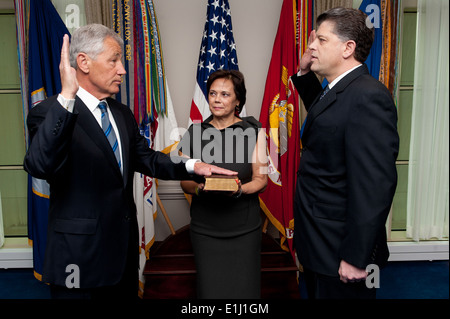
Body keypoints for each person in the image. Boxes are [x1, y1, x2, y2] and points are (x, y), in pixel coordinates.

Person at [23, 24, 235, 299]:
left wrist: (194, 166)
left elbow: (146, 158)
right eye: (114, 60)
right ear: (83, 62)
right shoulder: (50, 112)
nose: (122, 69)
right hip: (78, 259)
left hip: (122, 256)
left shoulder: (122, 113)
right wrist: (66, 97)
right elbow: (40, 165)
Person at [291, 8, 399, 299]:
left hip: (342, 250)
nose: (311, 45)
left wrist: (356, 256)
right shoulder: (342, 89)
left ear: (348, 48)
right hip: (321, 244)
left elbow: (375, 185)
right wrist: (304, 73)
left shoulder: (368, 96)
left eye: (321, 40)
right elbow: (329, 120)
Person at [178, 70, 268, 298]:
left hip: (245, 229)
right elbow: (184, 182)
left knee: (244, 293)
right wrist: (200, 187)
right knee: (210, 292)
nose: (217, 99)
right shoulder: (193, 132)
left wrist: (239, 190)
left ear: (238, 100)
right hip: (205, 230)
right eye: (213, 93)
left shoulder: (255, 131)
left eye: (225, 94)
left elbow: (261, 179)